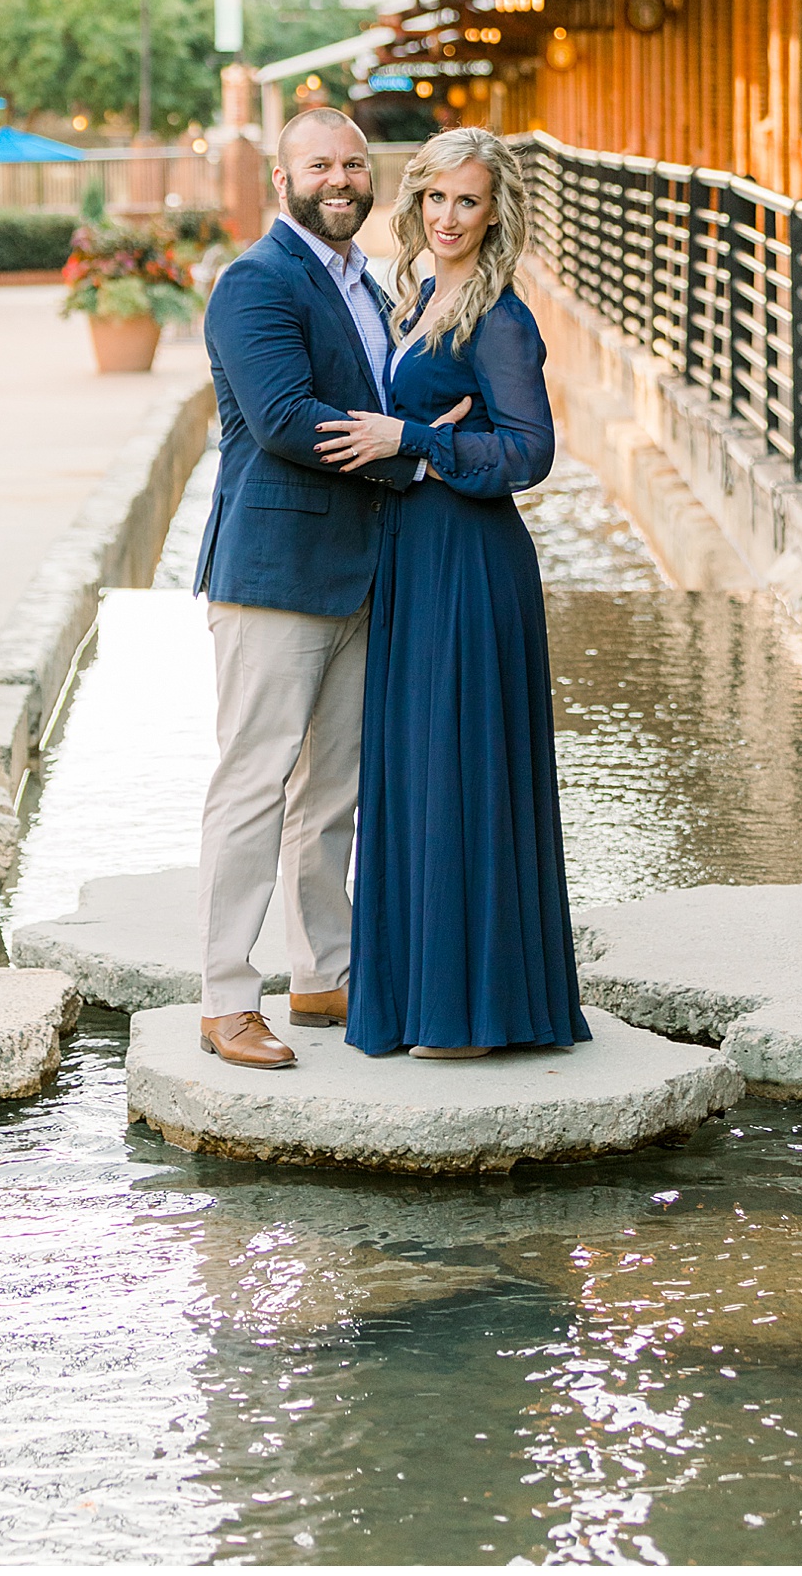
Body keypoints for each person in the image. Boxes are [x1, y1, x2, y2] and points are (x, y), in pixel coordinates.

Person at [194, 109, 466, 1071]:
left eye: (354, 162)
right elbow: (284, 420)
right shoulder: (256, 282)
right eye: (321, 164)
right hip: (274, 576)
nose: (341, 178)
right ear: (284, 178)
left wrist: (417, 428)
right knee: (253, 785)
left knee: (331, 792)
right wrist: (416, 460)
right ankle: (227, 998)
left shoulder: (374, 287)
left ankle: (324, 977)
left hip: (363, 574)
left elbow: (387, 401)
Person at [316, 126, 590, 1060]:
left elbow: (530, 452)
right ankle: (417, 999)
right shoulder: (418, 295)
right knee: (414, 768)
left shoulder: (500, 318)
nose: (447, 216)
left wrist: (419, 442)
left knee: (457, 769)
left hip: (472, 566)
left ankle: (474, 1011)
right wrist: (414, 438)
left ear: (495, 212)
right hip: (414, 557)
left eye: (467, 201)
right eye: (434, 197)